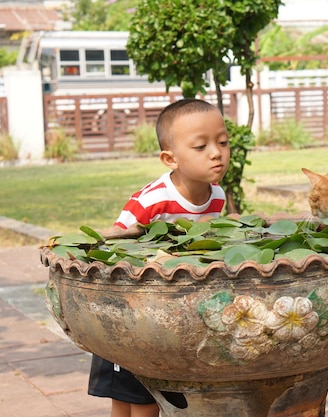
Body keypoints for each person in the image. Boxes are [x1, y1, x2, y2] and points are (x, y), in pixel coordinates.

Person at [88, 98, 231, 417]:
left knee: (145, 401)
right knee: (139, 403)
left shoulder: (217, 197)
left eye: (222, 141)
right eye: (200, 146)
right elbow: (114, 246)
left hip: (168, 317)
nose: (216, 152)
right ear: (170, 158)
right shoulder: (152, 201)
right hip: (130, 316)